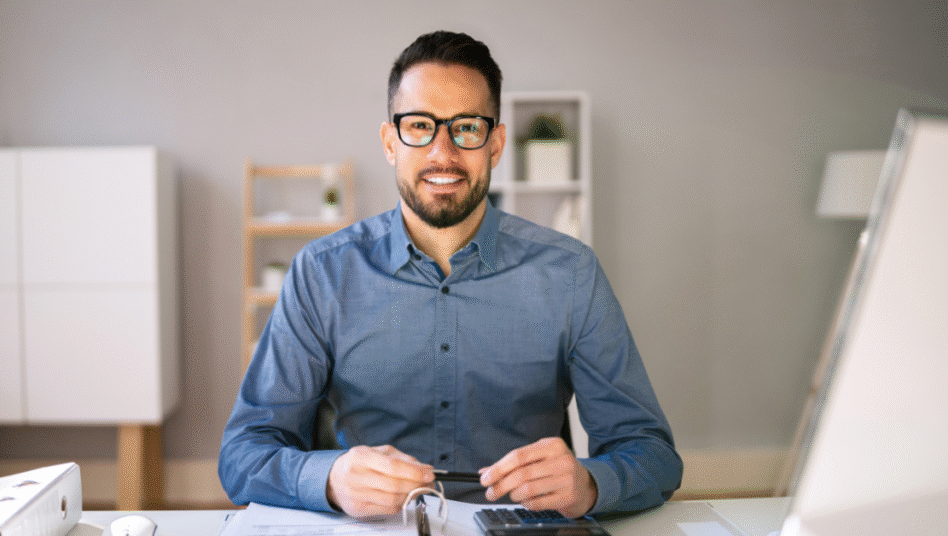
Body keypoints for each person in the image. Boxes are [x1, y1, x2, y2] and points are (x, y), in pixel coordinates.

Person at [219, 30, 682, 519]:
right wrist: (330, 479)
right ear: (390, 142)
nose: (443, 152)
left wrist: (590, 483)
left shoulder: (570, 273)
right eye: (419, 126)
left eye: (466, 128)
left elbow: (652, 455)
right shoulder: (322, 274)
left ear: (496, 144)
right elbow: (243, 456)